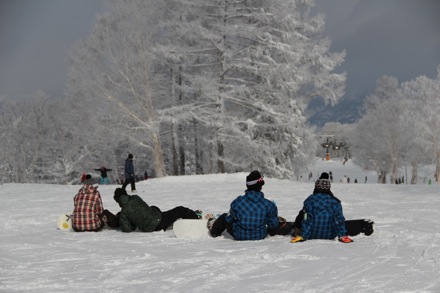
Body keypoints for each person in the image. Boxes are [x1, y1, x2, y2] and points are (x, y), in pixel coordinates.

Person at [209, 170, 279, 241]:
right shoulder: (269, 205)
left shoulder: (238, 202)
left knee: (224, 216)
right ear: (260, 187)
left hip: (239, 235)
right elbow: (273, 226)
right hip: (260, 236)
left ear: (247, 186)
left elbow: (229, 220)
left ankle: (214, 232)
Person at [291, 172, 353, 243]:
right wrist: (342, 235)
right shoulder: (336, 202)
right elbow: (339, 220)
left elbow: (307, 219)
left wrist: (303, 236)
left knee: (303, 213)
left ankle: (297, 230)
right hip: (330, 235)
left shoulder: (310, 200)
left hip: (312, 235)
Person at [113, 188, 200, 232]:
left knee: (155, 208)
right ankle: (197, 219)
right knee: (180, 210)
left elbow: (127, 229)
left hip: (150, 226)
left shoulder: (124, 213)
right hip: (157, 222)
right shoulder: (135, 197)